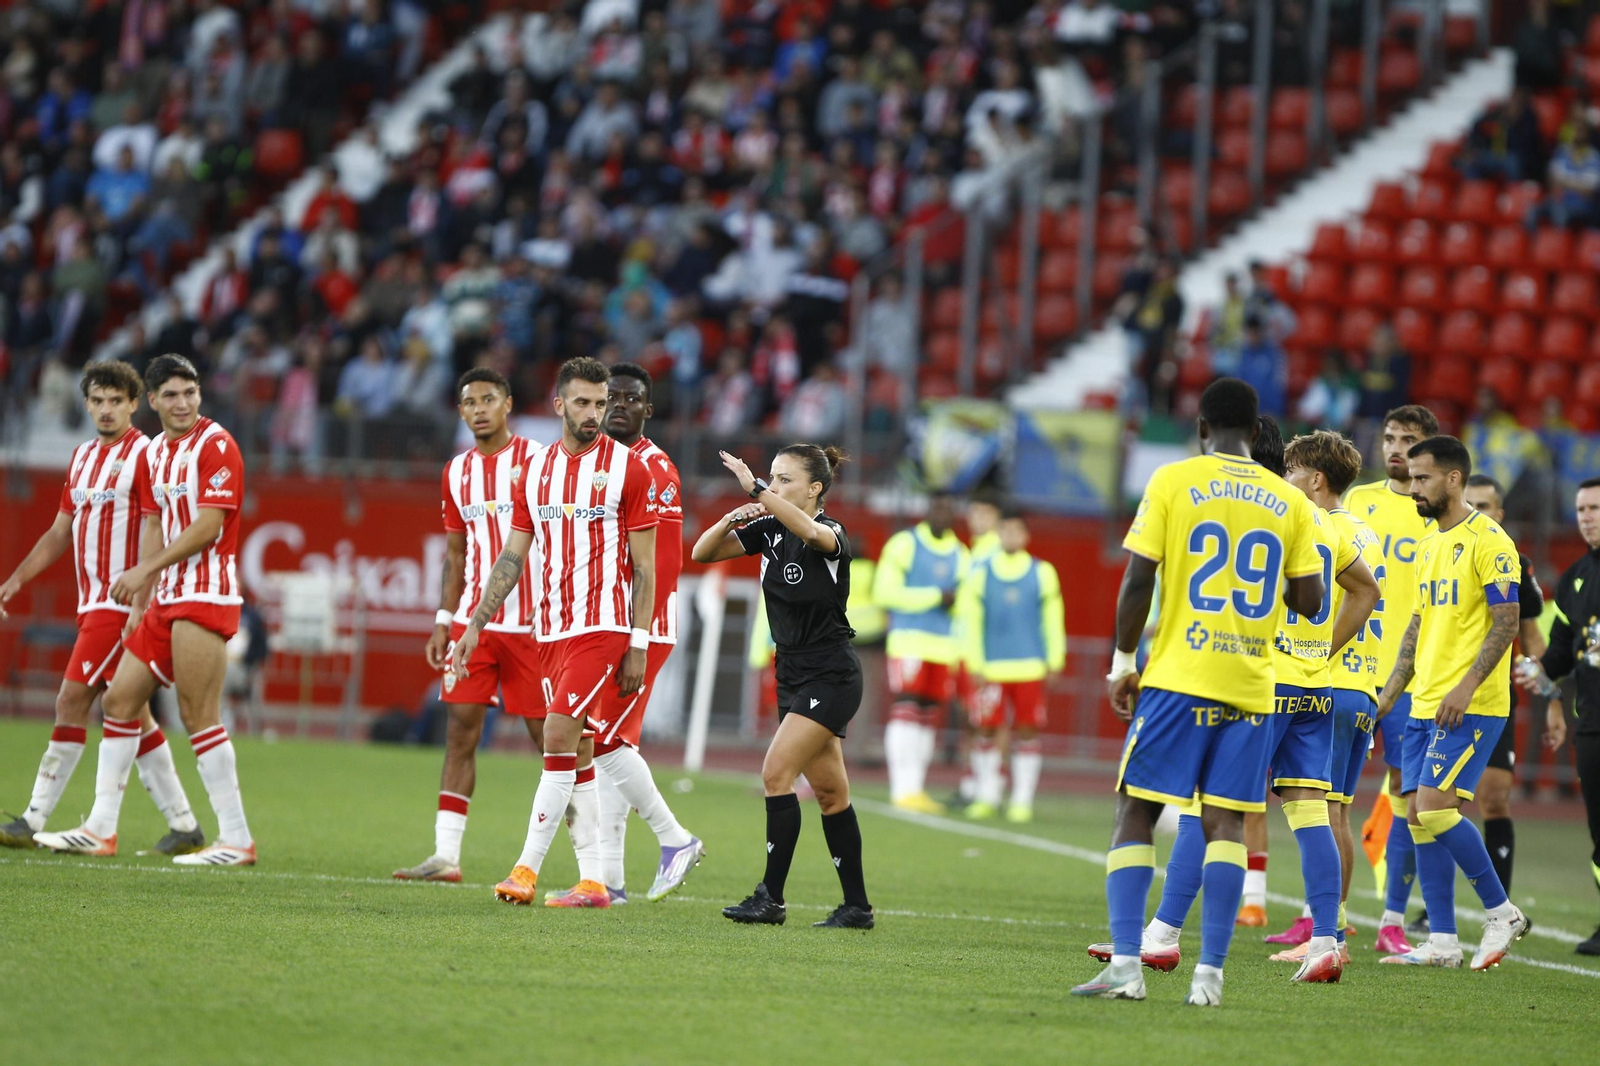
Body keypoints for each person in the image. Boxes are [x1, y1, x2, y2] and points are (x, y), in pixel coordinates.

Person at [1072, 378, 1325, 1005]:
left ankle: (1128, 967)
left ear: (1204, 428)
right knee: (1225, 824)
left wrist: (1122, 663)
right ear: (1257, 427)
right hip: (1251, 685)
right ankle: (1209, 976)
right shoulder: (1288, 500)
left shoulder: (1173, 481)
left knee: (1137, 810)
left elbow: (1138, 584)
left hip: (1181, 676)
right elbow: (1312, 602)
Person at [451, 357, 658, 910]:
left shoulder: (629, 470)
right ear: (559, 404)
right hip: (552, 632)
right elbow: (511, 555)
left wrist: (638, 642)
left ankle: (525, 870)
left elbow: (645, 568)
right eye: (585, 403)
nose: (597, 413)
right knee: (582, 751)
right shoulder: (536, 470)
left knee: (559, 738)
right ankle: (593, 882)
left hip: (604, 628)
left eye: (603, 403)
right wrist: (475, 624)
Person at [36, 355, 256, 866]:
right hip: (164, 597)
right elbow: (155, 523)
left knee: (198, 714)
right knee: (120, 701)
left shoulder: (216, 444)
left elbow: (209, 526)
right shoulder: (155, 452)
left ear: (199, 394)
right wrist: (142, 596)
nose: (183, 403)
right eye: (172, 395)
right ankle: (100, 829)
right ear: (152, 402)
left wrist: (143, 570)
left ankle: (237, 839)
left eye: (191, 392)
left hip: (205, 591)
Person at [0, 362, 203, 856]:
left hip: (120, 604)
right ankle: (184, 824)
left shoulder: (146, 455)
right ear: (87, 404)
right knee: (133, 712)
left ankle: (33, 818)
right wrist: (17, 578)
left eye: (117, 401)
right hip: (90, 604)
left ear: (135, 404)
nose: (107, 410)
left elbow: (161, 527)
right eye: (98, 401)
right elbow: (58, 532)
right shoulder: (82, 457)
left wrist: (143, 598)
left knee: (71, 701)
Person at [691, 444, 874, 930]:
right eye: (771, 478)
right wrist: (735, 515)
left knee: (775, 774)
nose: (773, 486)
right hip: (791, 672)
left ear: (815, 488)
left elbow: (810, 531)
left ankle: (770, 897)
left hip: (831, 673)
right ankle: (857, 907)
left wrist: (754, 488)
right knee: (832, 795)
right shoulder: (770, 527)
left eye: (784, 480)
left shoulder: (831, 533)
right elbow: (701, 553)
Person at [547, 362, 704, 904]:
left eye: (630, 398)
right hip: (614, 624)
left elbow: (660, 561)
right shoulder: (603, 462)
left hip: (640, 624)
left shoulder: (652, 468)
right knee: (607, 738)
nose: (616, 406)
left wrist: (638, 637)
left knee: (606, 739)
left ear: (647, 409)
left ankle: (674, 838)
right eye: (607, 397)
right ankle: (609, 880)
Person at [1376, 436, 1532, 970]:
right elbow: (1418, 626)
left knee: (1433, 809)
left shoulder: (1491, 541)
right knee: (1421, 820)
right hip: (1423, 702)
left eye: (1421, 478)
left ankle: (1502, 911)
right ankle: (1442, 940)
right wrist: (1389, 694)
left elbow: (1507, 622)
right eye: (1411, 478)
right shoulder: (1429, 542)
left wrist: (1464, 687)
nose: (1412, 486)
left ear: (1452, 479)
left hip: (1471, 704)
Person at [392, 368, 546, 884]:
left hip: (531, 624)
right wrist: (442, 619)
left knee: (550, 738)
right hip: (470, 628)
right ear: (460, 412)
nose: (479, 408)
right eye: (469, 401)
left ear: (508, 405)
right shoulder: (456, 472)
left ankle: (593, 859)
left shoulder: (537, 462)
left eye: (489, 399)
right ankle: (445, 856)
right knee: (459, 732)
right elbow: (456, 553)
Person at [1267, 431, 1386, 973]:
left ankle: (1164, 932)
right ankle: (1326, 933)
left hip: (1306, 677)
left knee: (1224, 802)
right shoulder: (1361, 529)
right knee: (1327, 809)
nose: (1284, 477)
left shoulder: (1308, 522)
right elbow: (1371, 594)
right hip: (1349, 686)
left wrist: (1319, 649)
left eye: (1291, 469)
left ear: (1315, 479)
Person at [1342, 404, 1438, 954]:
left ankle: (1392, 923)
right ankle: (1320, 914)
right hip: (1353, 669)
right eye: (1389, 437)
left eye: (1408, 439)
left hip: (1411, 679)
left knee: (1408, 797)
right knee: (1329, 794)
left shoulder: (1436, 515)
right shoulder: (1358, 501)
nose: (1396, 447)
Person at [1515, 476, 1600, 956]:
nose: (1586, 516)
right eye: (1581, 508)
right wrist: (1539, 672)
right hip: (1592, 724)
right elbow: (1564, 650)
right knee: (1599, 831)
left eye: (1595, 508)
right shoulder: (1575, 578)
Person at [955, 507, 1065, 823]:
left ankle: (1021, 800)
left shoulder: (1042, 572)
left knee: (1027, 732)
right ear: (998, 534)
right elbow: (971, 622)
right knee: (986, 731)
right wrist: (974, 661)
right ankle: (987, 795)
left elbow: (1052, 620)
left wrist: (1054, 659)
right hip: (991, 668)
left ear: (1026, 536)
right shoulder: (982, 573)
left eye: (1017, 531)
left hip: (1030, 667)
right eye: (1006, 531)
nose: (1011, 537)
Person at [874, 491, 969, 814]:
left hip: (944, 648)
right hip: (909, 641)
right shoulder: (905, 544)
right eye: (937, 506)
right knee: (906, 708)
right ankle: (901, 788)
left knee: (929, 717)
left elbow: (965, 606)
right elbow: (884, 592)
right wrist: (934, 595)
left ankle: (916, 787)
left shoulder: (961, 553)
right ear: (928, 509)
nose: (943, 513)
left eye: (948, 507)